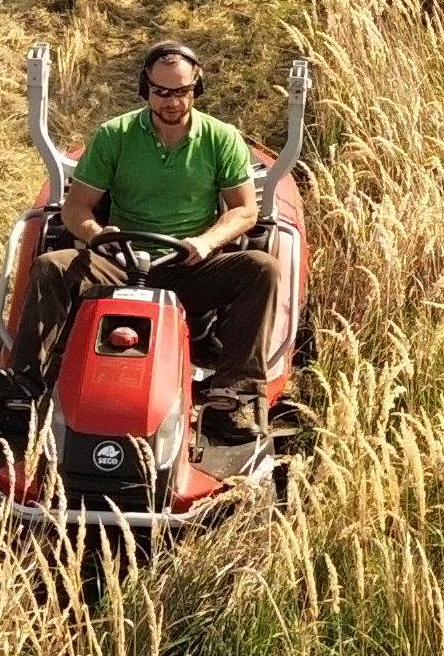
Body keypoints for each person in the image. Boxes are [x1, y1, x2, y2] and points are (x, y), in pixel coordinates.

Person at [29, 39, 283, 443]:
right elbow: (75, 209)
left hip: (189, 267)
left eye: (181, 91)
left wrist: (206, 240)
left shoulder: (221, 139)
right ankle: (24, 384)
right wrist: (97, 234)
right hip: (120, 262)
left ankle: (234, 394)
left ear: (196, 89)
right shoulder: (115, 135)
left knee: (261, 270)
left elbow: (244, 211)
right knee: (51, 266)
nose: (171, 101)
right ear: (145, 88)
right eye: (161, 91)